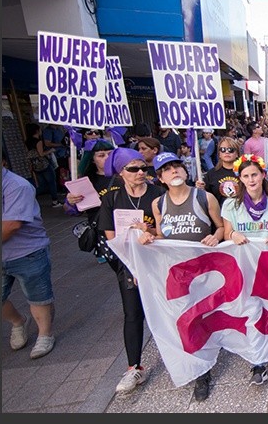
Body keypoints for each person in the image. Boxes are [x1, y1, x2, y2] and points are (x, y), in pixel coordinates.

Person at [139, 151, 224, 401]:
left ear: (186, 171)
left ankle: (215, 350)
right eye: (167, 169)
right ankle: (201, 372)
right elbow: (162, 236)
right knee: (186, 320)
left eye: (177, 166)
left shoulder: (204, 197)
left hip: (205, 269)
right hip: (176, 272)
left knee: (208, 316)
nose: (174, 171)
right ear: (160, 177)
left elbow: (220, 226)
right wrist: (149, 237)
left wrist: (216, 236)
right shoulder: (158, 204)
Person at [97, 147, 165, 394]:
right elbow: (111, 237)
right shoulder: (112, 198)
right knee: (133, 314)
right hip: (129, 266)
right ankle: (133, 367)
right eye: (133, 169)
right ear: (120, 172)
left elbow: (165, 231)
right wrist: (132, 267)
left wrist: (150, 233)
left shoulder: (158, 194)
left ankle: (179, 354)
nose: (140, 173)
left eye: (143, 168)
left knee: (167, 310)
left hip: (158, 262)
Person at [2, 151, 57, 360]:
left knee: (39, 296)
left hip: (27, 252)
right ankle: (18, 321)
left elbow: (12, 224)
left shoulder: (18, 186)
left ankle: (45, 334)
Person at [64, 138, 117, 264]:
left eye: (110, 154)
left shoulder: (125, 175)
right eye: (101, 155)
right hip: (102, 231)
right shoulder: (86, 181)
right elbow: (73, 211)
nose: (107, 158)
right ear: (92, 159)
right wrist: (71, 201)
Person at [196, 136, 242, 206]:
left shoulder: (244, 172)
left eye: (231, 150)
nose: (227, 152)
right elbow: (206, 199)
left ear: (237, 154)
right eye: (223, 149)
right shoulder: (211, 174)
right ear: (219, 154)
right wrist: (201, 188)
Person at [25, 123, 62, 207]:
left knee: (42, 184)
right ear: (37, 131)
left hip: (35, 165)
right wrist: (51, 151)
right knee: (51, 182)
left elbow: (29, 154)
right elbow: (41, 154)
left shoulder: (27, 141)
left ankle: (30, 195)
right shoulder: (38, 141)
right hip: (43, 164)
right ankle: (55, 201)